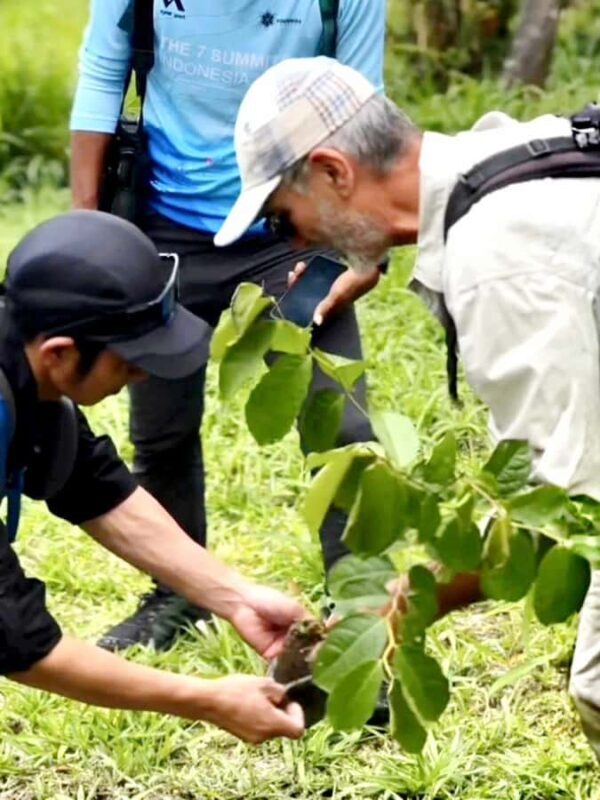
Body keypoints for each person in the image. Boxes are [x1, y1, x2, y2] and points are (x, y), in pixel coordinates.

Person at [217, 56, 600, 758]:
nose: (297, 240)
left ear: (335, 172)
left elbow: (561, 505)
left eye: (283, 219)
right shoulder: (497, 157)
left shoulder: (497, 259)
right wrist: (373, 239)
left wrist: (398, 605)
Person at [70, 0, 387, 653]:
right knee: (160, 428)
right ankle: (178, 596)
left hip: (292, 228)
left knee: (342, 426)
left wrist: (361, 247)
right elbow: (103, 72)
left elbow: (363, 103)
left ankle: (359, 613)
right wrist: (90, 229)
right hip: (161, 225)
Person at [0, 210, 306, 745]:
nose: (142, 374)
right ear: (60, 354)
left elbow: (92, 483)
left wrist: (235, 597)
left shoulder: (22, 359)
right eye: (131, 359)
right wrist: (208, 700)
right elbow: (16, 639)